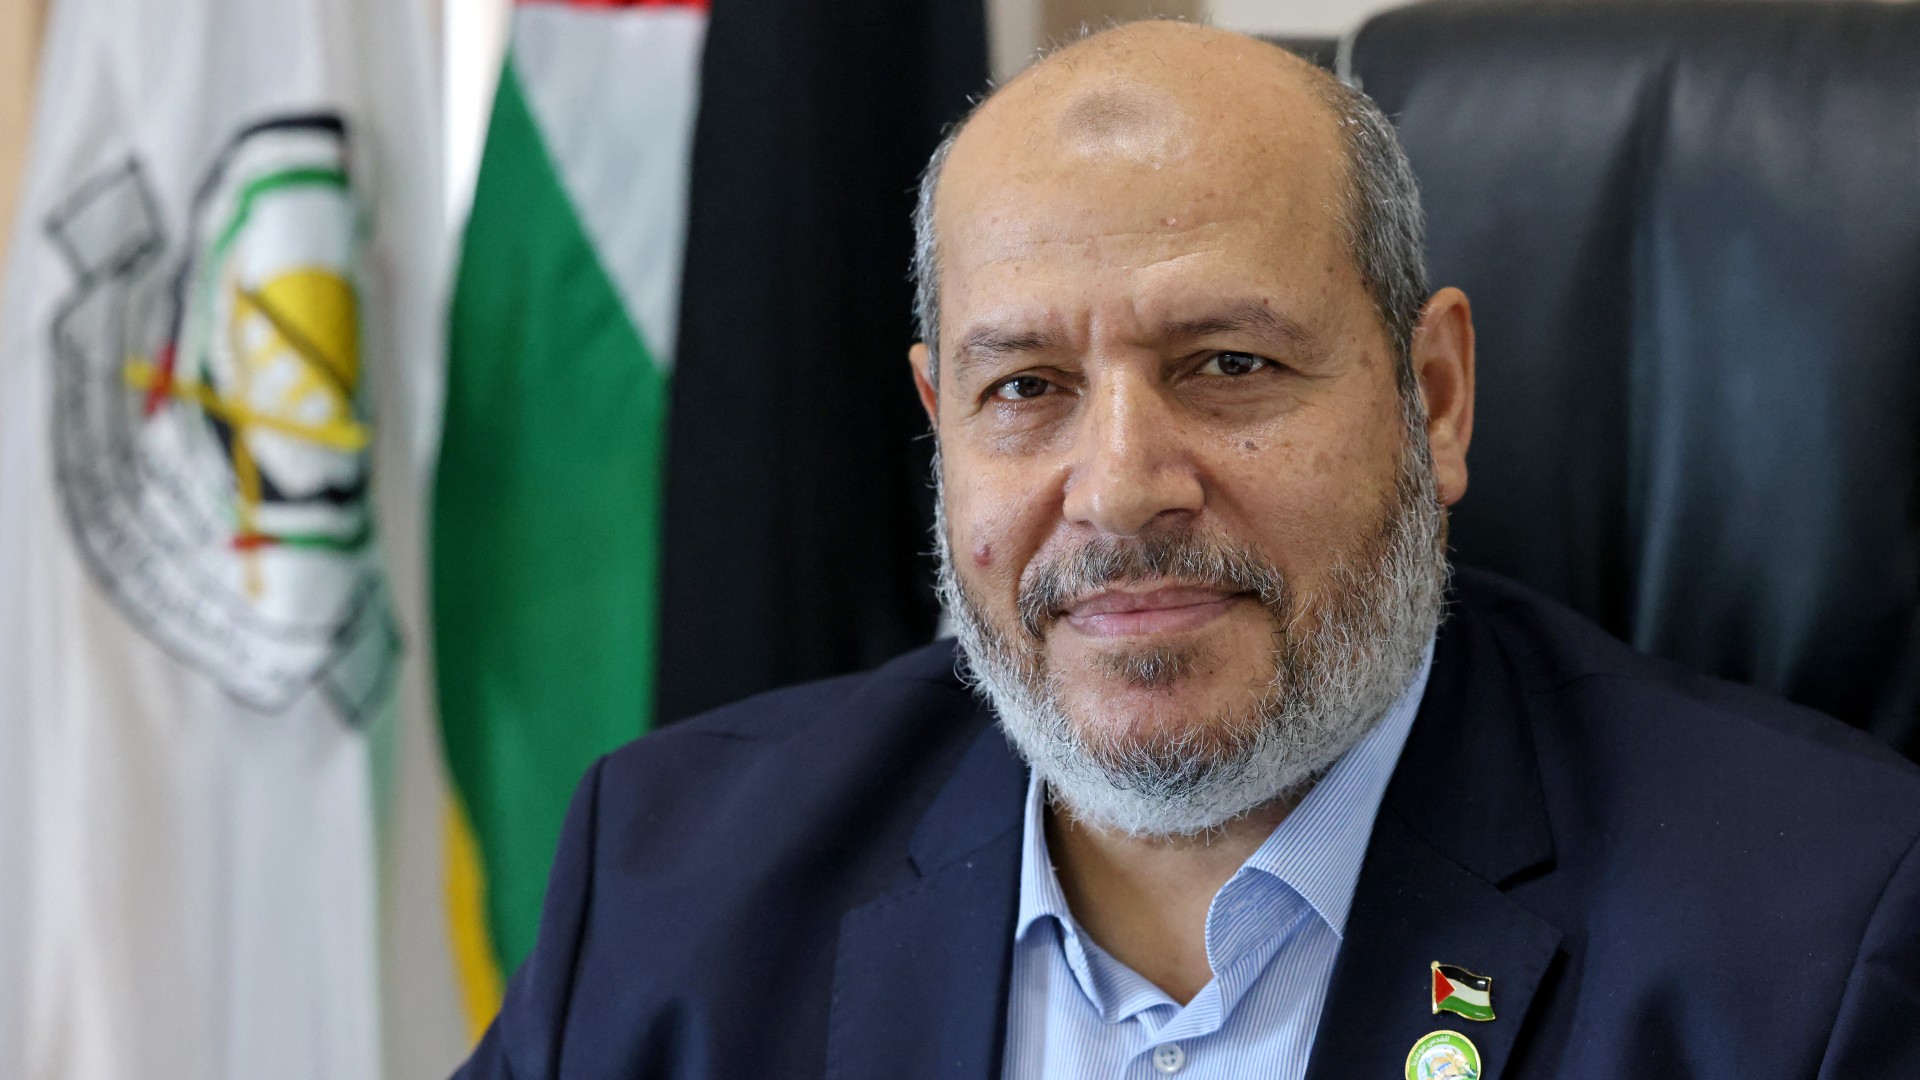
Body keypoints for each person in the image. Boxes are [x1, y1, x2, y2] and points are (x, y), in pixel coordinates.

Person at [455, 21, 1920, 1080]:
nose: (1119, 490)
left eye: (1226, 364)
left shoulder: (1820, 942)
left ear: (1435, 398)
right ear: (938, 420)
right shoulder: (665, 892)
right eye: (1024, 388)